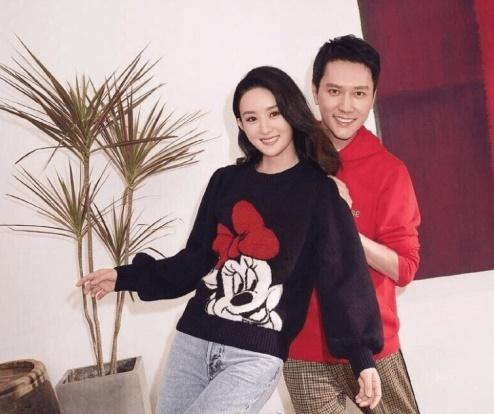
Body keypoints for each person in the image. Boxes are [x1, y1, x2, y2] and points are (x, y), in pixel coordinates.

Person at [78, 66, 383, 414]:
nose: (264, 128)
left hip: (255, 355)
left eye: (274, 114)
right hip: (193, 340)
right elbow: (194, 261)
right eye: (251, 118)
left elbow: (342, 279)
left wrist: (362, 358)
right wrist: (123, 277)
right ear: (240, 124)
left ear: (292, 112)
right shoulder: (225, 181)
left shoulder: (319, 192)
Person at [284, 35, 422, 414]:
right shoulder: (287, 156)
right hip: (302, 348)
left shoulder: (390, 172)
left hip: (373, 345)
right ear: (315, 92)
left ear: (373, 97)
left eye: (359, 93)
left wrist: (343, 229)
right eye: (334, 91)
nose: (346, 106)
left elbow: (404, 268)